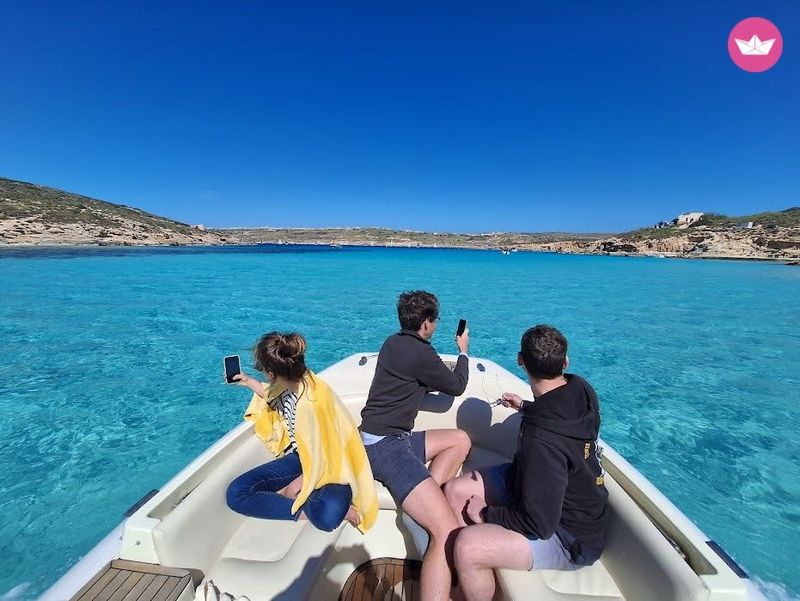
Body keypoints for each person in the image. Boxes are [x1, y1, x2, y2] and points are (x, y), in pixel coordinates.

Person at [443, 325, 609, 601]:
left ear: (520, 360)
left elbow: (540, 524)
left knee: (467, 548)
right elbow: (560, 425)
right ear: (565, 362)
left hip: (570, 536)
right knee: (453, 492)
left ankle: (471, 574)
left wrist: (486, 514)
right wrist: (525, 407)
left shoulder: (540, 440)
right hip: (531, 484)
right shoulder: (581, 389)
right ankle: (461, 579)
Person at [359, 290, 472, 601]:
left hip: (389, 436)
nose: (435, 325)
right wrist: (463, 351)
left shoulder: (392, 342)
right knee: (446, 531)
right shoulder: (422, 353)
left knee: (460, 440)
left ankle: (422, 504)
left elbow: (411, 382)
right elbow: (457, 386)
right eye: (434, 320)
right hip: (384, 447)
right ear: (425, 322)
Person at [226, 332, 379, 533]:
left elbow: (329, 456)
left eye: (264, 370)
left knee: (328, 518)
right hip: (302, 458)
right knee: (237, 493)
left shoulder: (311, 405)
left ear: (272, 373)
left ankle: (319, 505)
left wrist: (298, 485)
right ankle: (309, 506)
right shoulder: (300, 379)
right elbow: (273, 395)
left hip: (329, 465)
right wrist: (246, 381)